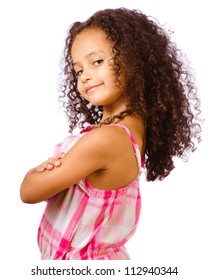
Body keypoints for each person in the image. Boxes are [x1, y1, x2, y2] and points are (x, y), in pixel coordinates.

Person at [20, 7, 201, 260]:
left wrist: (36, 171)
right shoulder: (123, 133)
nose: (84, 77)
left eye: (97, 62)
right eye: (78, 70)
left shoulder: (107, 140)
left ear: (133, 60)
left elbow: (29, 192)